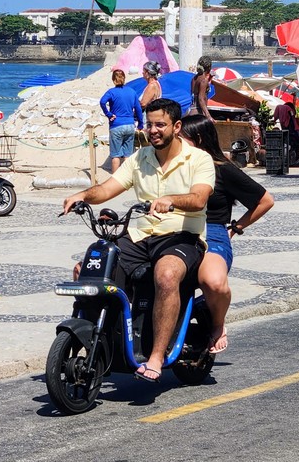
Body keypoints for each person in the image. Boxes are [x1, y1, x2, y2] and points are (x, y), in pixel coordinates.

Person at [62, 98, 215, 384]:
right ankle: (100, 342)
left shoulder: (198, 159)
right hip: (140, 236)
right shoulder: (139, 158)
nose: (153, 130)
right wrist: (82, 195)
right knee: (90, 268)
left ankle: (156, 356)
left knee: (167, 275)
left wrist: (171, 200)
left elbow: (199, 199)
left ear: (176, 126)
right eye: (149, 124)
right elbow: (108, 188)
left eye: (160, 124)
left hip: (183, 237)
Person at [180, 115, 274, 354]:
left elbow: (265, 201)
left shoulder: (222, 170)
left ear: (198, 139)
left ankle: (218, 324)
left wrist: (236, 228)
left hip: (212, 231)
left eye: (182, 139)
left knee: (213, 282)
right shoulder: (174, 167)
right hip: (177, 229)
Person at [99, 68, 143, 173]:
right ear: (124, 78)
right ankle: (127, 178)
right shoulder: (132, 92)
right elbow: (138, 109)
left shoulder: (111, 92)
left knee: (115, 155)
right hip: (129, 125)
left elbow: (102, 102)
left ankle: (115, 179)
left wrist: (108, 114)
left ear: (113, 80)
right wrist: (140, 124)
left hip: (116, 125)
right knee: (128, 154)